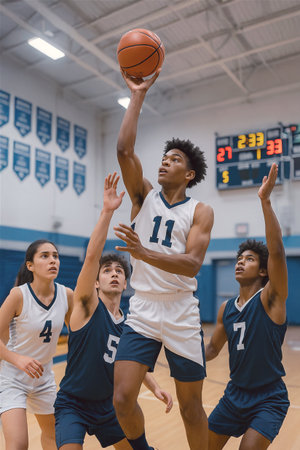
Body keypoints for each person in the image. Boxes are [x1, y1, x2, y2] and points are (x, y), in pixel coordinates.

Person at [112, 69, 214, 450]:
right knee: (122, 398)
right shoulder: (144, 197)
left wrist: (142, 252)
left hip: (181, 311)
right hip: (143, 309)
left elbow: (191, 264)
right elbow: (124, 151)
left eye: (173, 160)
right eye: (163, 157)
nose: (164, 162)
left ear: (188, 174)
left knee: (191, 409)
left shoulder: (201, 211)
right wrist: (137, 94)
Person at [54, 172, 173, 450]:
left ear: (126, 282)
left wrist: (155, 388)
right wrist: (107, 211)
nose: (114, 274)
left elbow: (130, 361)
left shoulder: (130, 323)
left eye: (119, 271)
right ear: (96, 282)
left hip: (108, 407)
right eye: (107, 271)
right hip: (73, 404)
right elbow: (92, 257)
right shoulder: (86, 308)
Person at [205, 163, 290, 450]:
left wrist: (265, 201)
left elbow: (276, 251)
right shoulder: (226, 309)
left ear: (264, 271)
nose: (241, 261)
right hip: (234, 395)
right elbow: (212, 350)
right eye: (240, 258)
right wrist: (176, 347)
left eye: (250, 258)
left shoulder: (271, 298)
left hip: (268, 398)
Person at [0, 239, 73, 449]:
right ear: (30, 265)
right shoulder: (18, 295)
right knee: (18, 444)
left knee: (53, 437)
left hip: (44, 379)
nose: (53, 260)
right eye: (45, 256)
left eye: (55, 256)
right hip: (13, 378)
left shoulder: (66, 295)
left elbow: (80, 334)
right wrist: (18, 359)